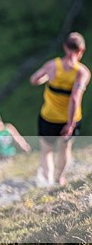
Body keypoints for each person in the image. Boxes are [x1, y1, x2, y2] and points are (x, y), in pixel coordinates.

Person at [29, 31, 89, 186]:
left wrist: (47, 78)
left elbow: (34, 79)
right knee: (65, 148)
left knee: (46, 150)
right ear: (81, 50)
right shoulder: (82, 72)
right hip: (71, 118)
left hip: (48, 117)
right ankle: (59, 178)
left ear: (64, 47)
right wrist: (70, 123)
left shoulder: (52, 66)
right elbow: (75, 98)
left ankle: (48, 180)